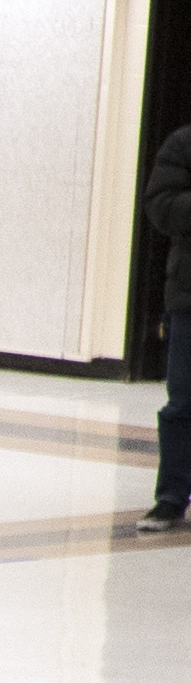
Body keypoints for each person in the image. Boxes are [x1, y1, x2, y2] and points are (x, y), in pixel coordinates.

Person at [145, 122, 191, 530]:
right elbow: (161, 206)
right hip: (189, 300)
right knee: (182, 403)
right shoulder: (182, 143)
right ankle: (172, 498)